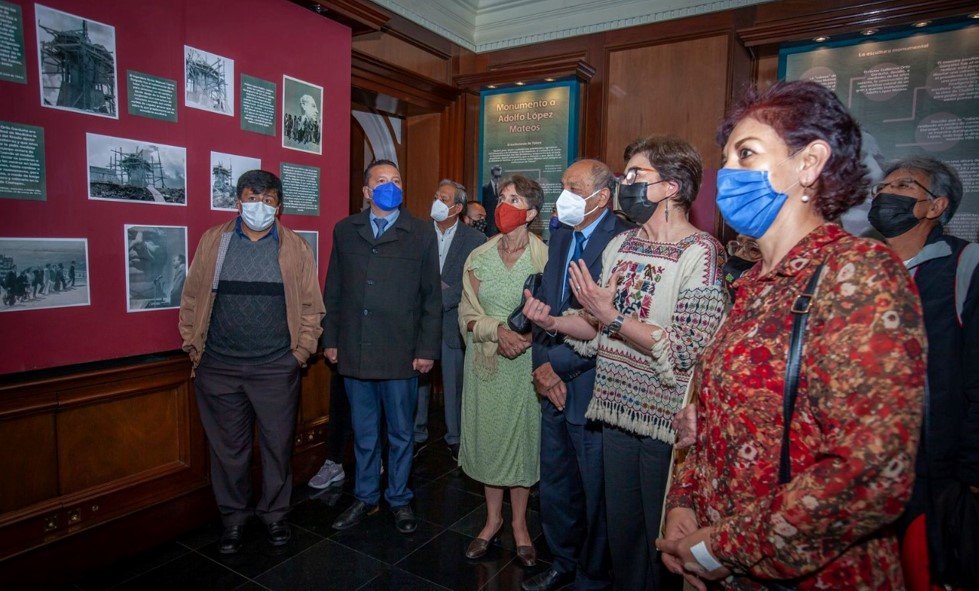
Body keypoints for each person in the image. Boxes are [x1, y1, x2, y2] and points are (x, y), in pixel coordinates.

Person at [657, 80, 927, 590]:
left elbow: (872, 473)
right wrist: (683, 505)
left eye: (747, 153)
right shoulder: (752, 282)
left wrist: (719, 547)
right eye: (727, 157)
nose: (726, 173)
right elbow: (707, 421)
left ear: (810, 163)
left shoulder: (858, 273)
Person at [524, 135, 727, 591]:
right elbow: (592, 326)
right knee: (623, 538)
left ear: (671, 187)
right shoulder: (621, 246)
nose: (626, 184)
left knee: (658, 550)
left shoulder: (703, 252)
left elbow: (688, 348)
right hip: (613, 412)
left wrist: (611, 316)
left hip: (664, 425)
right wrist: (554, 320)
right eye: (625, 175)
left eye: (637, 175)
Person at [178, 169, 324, 555]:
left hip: (276, 367)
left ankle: (275, 516)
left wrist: (299, 355)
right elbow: (191, 298)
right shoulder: (215, 241)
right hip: (219, 367)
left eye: (268, 200)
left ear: (279, 206)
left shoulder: (294, 248)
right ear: (237, 202)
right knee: (228, 451)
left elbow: (311, 308)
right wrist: (196, 350)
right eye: (250, 197)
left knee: (278, 447)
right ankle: (233, 520)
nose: (258, 206)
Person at [868, 156, 979, 591]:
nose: (884, 195)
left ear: (935, 207)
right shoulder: (864, 266)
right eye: (882, 188)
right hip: (865, 464)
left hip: (934, 474)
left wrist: (971, 474)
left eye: (903, 186)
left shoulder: (964, 265)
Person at [522, 159, 631, 591]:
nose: (563, 193)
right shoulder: (561, 232)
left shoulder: (621, 239)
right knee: (556, 483)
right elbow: (545, 307)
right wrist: (542, 369)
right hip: (550, 379)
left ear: (602, 197)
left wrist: (557, 368)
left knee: (594, 492)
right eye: (563, 184)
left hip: (589, 385)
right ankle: (562, 561)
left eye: (574, 186)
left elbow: (607, 323)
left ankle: (592, 575)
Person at [324, 159, 442, 535]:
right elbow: (335, 288)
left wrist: (426, 349)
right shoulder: (345, 230)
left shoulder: (421, 233)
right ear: (366, 190)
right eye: (381, 181)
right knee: (364, 431)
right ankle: (364, 496)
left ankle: (399, 499)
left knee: (401, 433)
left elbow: (431, 299)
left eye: (396, 180)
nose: (390, 186)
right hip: (355, 349)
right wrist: (331, 339)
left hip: (401, 351)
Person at [458, 174, 548, 567]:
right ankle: (492, 521)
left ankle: (520, 525)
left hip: (527, 366)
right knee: (490, 440)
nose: (503, 205)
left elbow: (557, 314)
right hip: (487, 364)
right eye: (501, 197)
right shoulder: (479, 256)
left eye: (513, 199)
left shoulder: (545, 256)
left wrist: (525, 338)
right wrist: (497, 331)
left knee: (522, 443)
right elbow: (466, 315)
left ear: (530, 212)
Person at [414, 180, 486, 460]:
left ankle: (455, 437)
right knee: (419, 381)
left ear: (457, 208)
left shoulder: (474, 240)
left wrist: (439, 293)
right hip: (420, 322)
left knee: (455, 383)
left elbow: (471, 283)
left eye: (443, 199)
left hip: (453, 323)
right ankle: (417, 432)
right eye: (435, 196)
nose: (436, 202)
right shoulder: (418, 234)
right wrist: (434, 290)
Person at [482, 165, 503, 236]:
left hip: (500, 225)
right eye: (496, 176)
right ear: (491, 175)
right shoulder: (484, 189)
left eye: (499, 176)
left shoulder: (503, 189)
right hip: (489, 225)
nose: (498, 179)